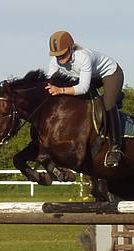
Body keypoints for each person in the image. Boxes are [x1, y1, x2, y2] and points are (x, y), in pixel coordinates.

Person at [45, 31, 124, 168]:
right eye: (57, 55)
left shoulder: (83, 57)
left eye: (63, 54)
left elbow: (83, 88)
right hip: (89, 77)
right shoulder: (55, 62)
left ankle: (116, 147)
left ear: (70, 48)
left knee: (108, 104)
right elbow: (51, 83)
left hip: (110, 74)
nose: (60, 58)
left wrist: (61, 90)